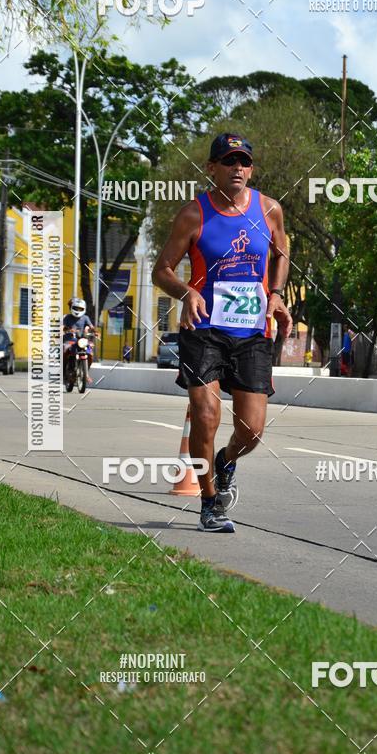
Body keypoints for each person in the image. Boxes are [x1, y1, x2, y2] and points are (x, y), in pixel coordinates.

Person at [152, 132, 293, 533]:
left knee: (252, 429)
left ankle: (226, 461)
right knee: (206, 415)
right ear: (211, 168)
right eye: (229, 161)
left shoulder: (269, 210)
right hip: (205, 329)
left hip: (252, 333)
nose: (238, 169)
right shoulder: (193, 215)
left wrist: (278, 294)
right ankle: (210, 504)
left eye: (244, 162)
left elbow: (282, 253)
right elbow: (160, 270)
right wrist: (186, 290)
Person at [62, 297, 99, 383]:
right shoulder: (67, 317)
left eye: (80, 309)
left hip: (82, 341)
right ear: (72, 308)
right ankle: (64, 371)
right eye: (76, 308)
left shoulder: (85, 318)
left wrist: (95, 332)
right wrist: (66, 329)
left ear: (84, 309)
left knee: (90, 354)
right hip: (70, 340)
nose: (78, 310)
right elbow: (62, 327)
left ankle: (86, 374)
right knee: (66, 351)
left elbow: (91, 327)